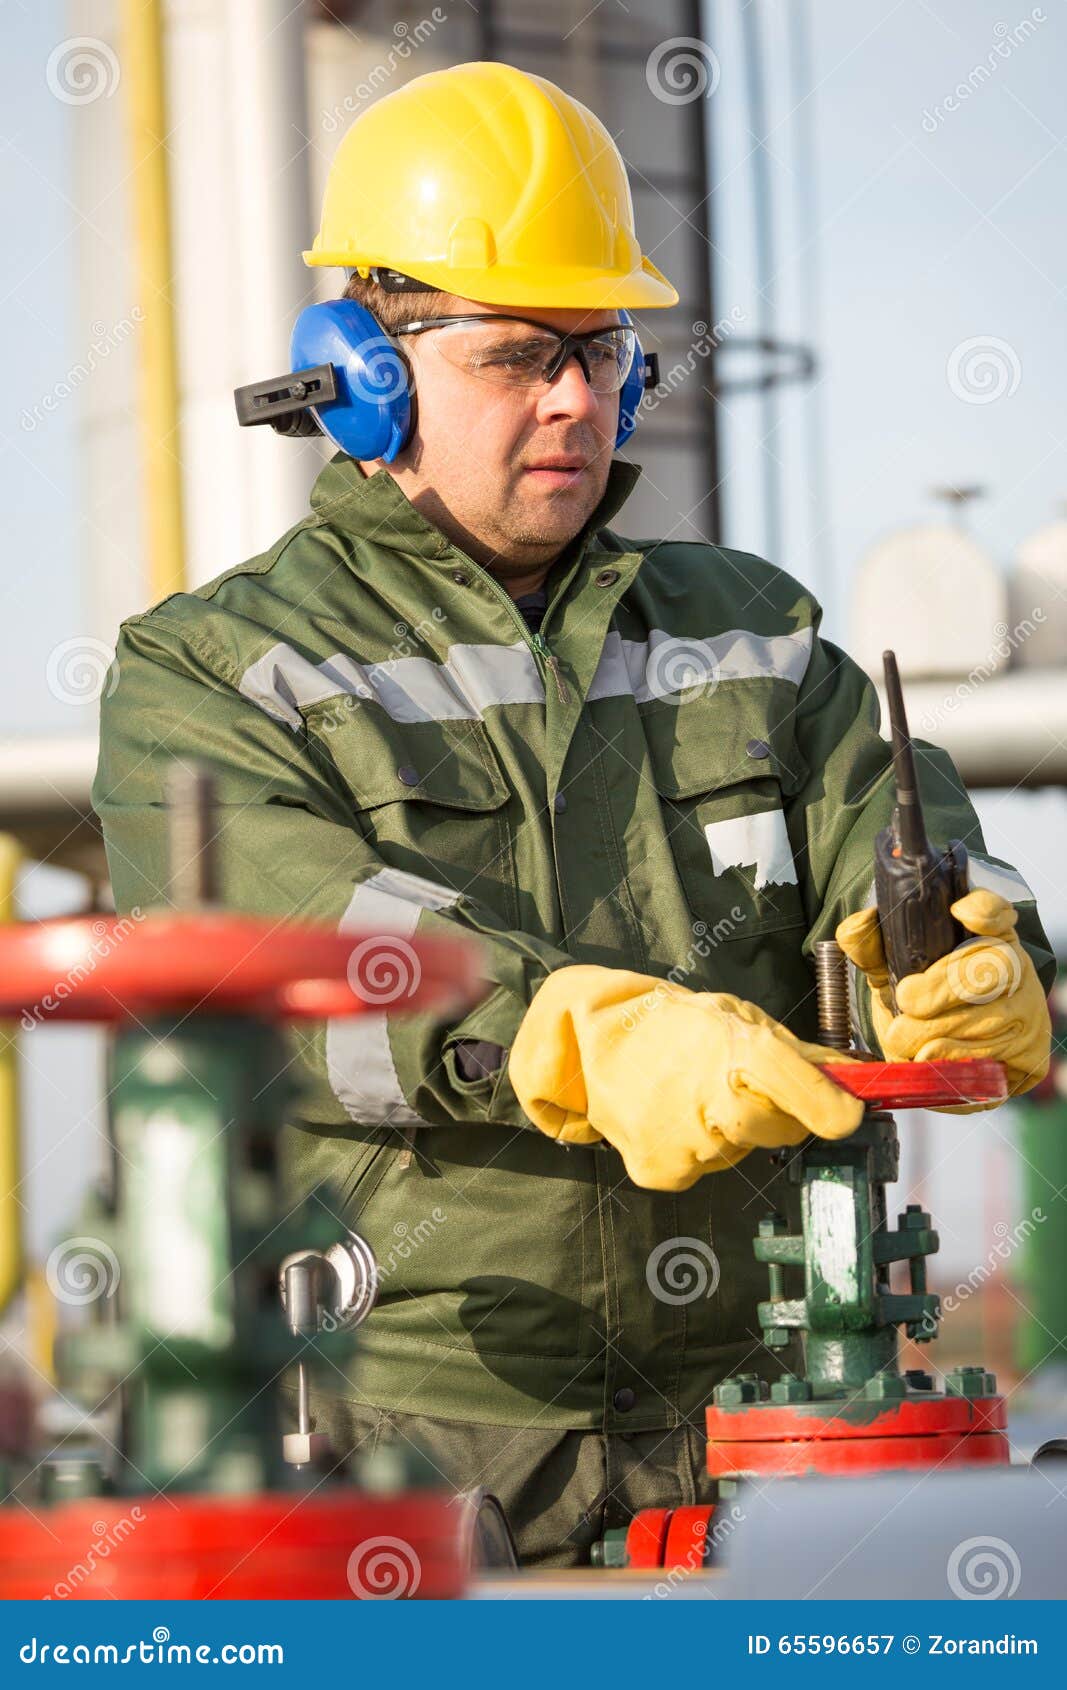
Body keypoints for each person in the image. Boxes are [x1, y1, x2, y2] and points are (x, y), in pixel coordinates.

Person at [93, 61, 1053, 1568]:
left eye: (604, 350)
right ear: (364, 368)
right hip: (406, 1493)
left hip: (765, 1461)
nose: (577, 399)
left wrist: (985, 957)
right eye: (519, 354)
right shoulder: (213, 676)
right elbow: (278, 951)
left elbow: (925, 862)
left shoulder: (763, 639)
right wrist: (567, 1031)